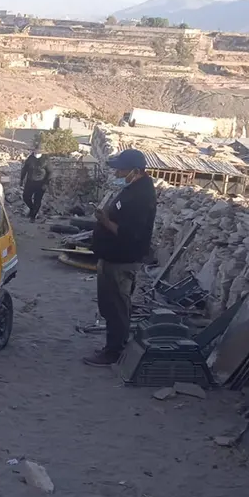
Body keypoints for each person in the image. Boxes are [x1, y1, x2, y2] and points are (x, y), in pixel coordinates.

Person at [84, 149, 158, 367]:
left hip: (121, 259)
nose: (116, 172)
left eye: (120, 169)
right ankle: (112, 346)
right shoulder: (132, 189)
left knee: (116, 305)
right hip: (112, 257)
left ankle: (113, 352)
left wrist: (104, 220)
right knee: (110, 304)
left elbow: (127, 233)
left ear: (135, 171)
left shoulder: (141, 196)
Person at [19, 150, 51, 221]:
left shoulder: (45, 159)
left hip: (41, 183)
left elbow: (50, 172)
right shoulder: (30, 158)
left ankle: (33, 216)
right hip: (30, 182)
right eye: (35, 150)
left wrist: (46, 183)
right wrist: (21, 179)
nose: (36, 152)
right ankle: (32, 209)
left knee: (37, 200)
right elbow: (24, 169)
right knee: (26, 197)